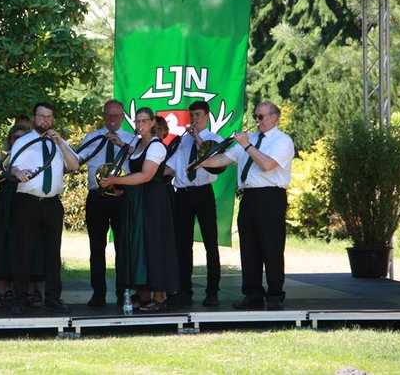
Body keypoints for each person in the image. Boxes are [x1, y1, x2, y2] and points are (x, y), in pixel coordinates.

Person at [194, 101, 294, 310]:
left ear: (274, 117)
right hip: (248, 197)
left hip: (270, 196)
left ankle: (275, 295)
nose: (257, 121)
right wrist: (201, 162)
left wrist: (247, 146)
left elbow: (267, 164)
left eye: (261, 117)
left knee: (271, 247)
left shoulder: (282, 140)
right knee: (249, 248)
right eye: (256, 116)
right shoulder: (252, 139)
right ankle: (253, 294)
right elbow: (225, 158)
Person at [99, 107, 179, 312]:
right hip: (137, 200)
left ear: (153, 123)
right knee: (140, 245)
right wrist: (118, 187)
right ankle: (144, 293)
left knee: (154, 243)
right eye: (137, 121)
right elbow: (133, 161)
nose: (140, 125)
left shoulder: (157, 146)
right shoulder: (136, 143)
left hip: (153, 200)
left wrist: (116, 180)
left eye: (144, 121)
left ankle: (159, 296)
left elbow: (145, 175)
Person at [9, 102, 79, 315]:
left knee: (53, 253)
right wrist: (18, 172)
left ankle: (53, 298)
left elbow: (74, 166)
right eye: (41, 117)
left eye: (49, 117)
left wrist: (61, 144)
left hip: (52, 204)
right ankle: (20, 298)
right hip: (29, 202)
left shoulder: (59, 142)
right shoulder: (23, 141)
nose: (45, 121)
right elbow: (12, 166)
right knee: (24, 251)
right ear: (33, 118)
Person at [0, 124, 45, 308]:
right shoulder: (2, 158)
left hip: (30, 202)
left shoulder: (37, 157)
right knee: (2, 245)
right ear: (10, 139)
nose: (19, 141)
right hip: (5, 206)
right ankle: (2, 291)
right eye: (15, 137)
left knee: (33, 246)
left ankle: (33, 290)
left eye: (23, 137)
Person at [166, 100, 223, 307]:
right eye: (191, 116)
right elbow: (172, 168)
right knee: (182, 244)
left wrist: (196, 135)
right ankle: (184, 290)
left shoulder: (213, 138)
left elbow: (210, 155)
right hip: (183, 193)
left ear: (207, 116)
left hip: (202, 193)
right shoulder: (183, 141)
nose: (194, 119)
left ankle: (212, 291)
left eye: (198, 115)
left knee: (210, 243)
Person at [78, 100, 132, 307]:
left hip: (121, 196)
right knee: (96, 248)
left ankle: (122, 293)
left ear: (123, 116)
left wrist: (123, 146)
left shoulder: (130, 139)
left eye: (116, 115)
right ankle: (98, 293)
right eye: (108, 115)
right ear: (103, 115)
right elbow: (77, 159)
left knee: (123, 247)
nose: (112, 119)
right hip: (97, 197)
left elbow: (139, 161)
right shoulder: (92, 137)